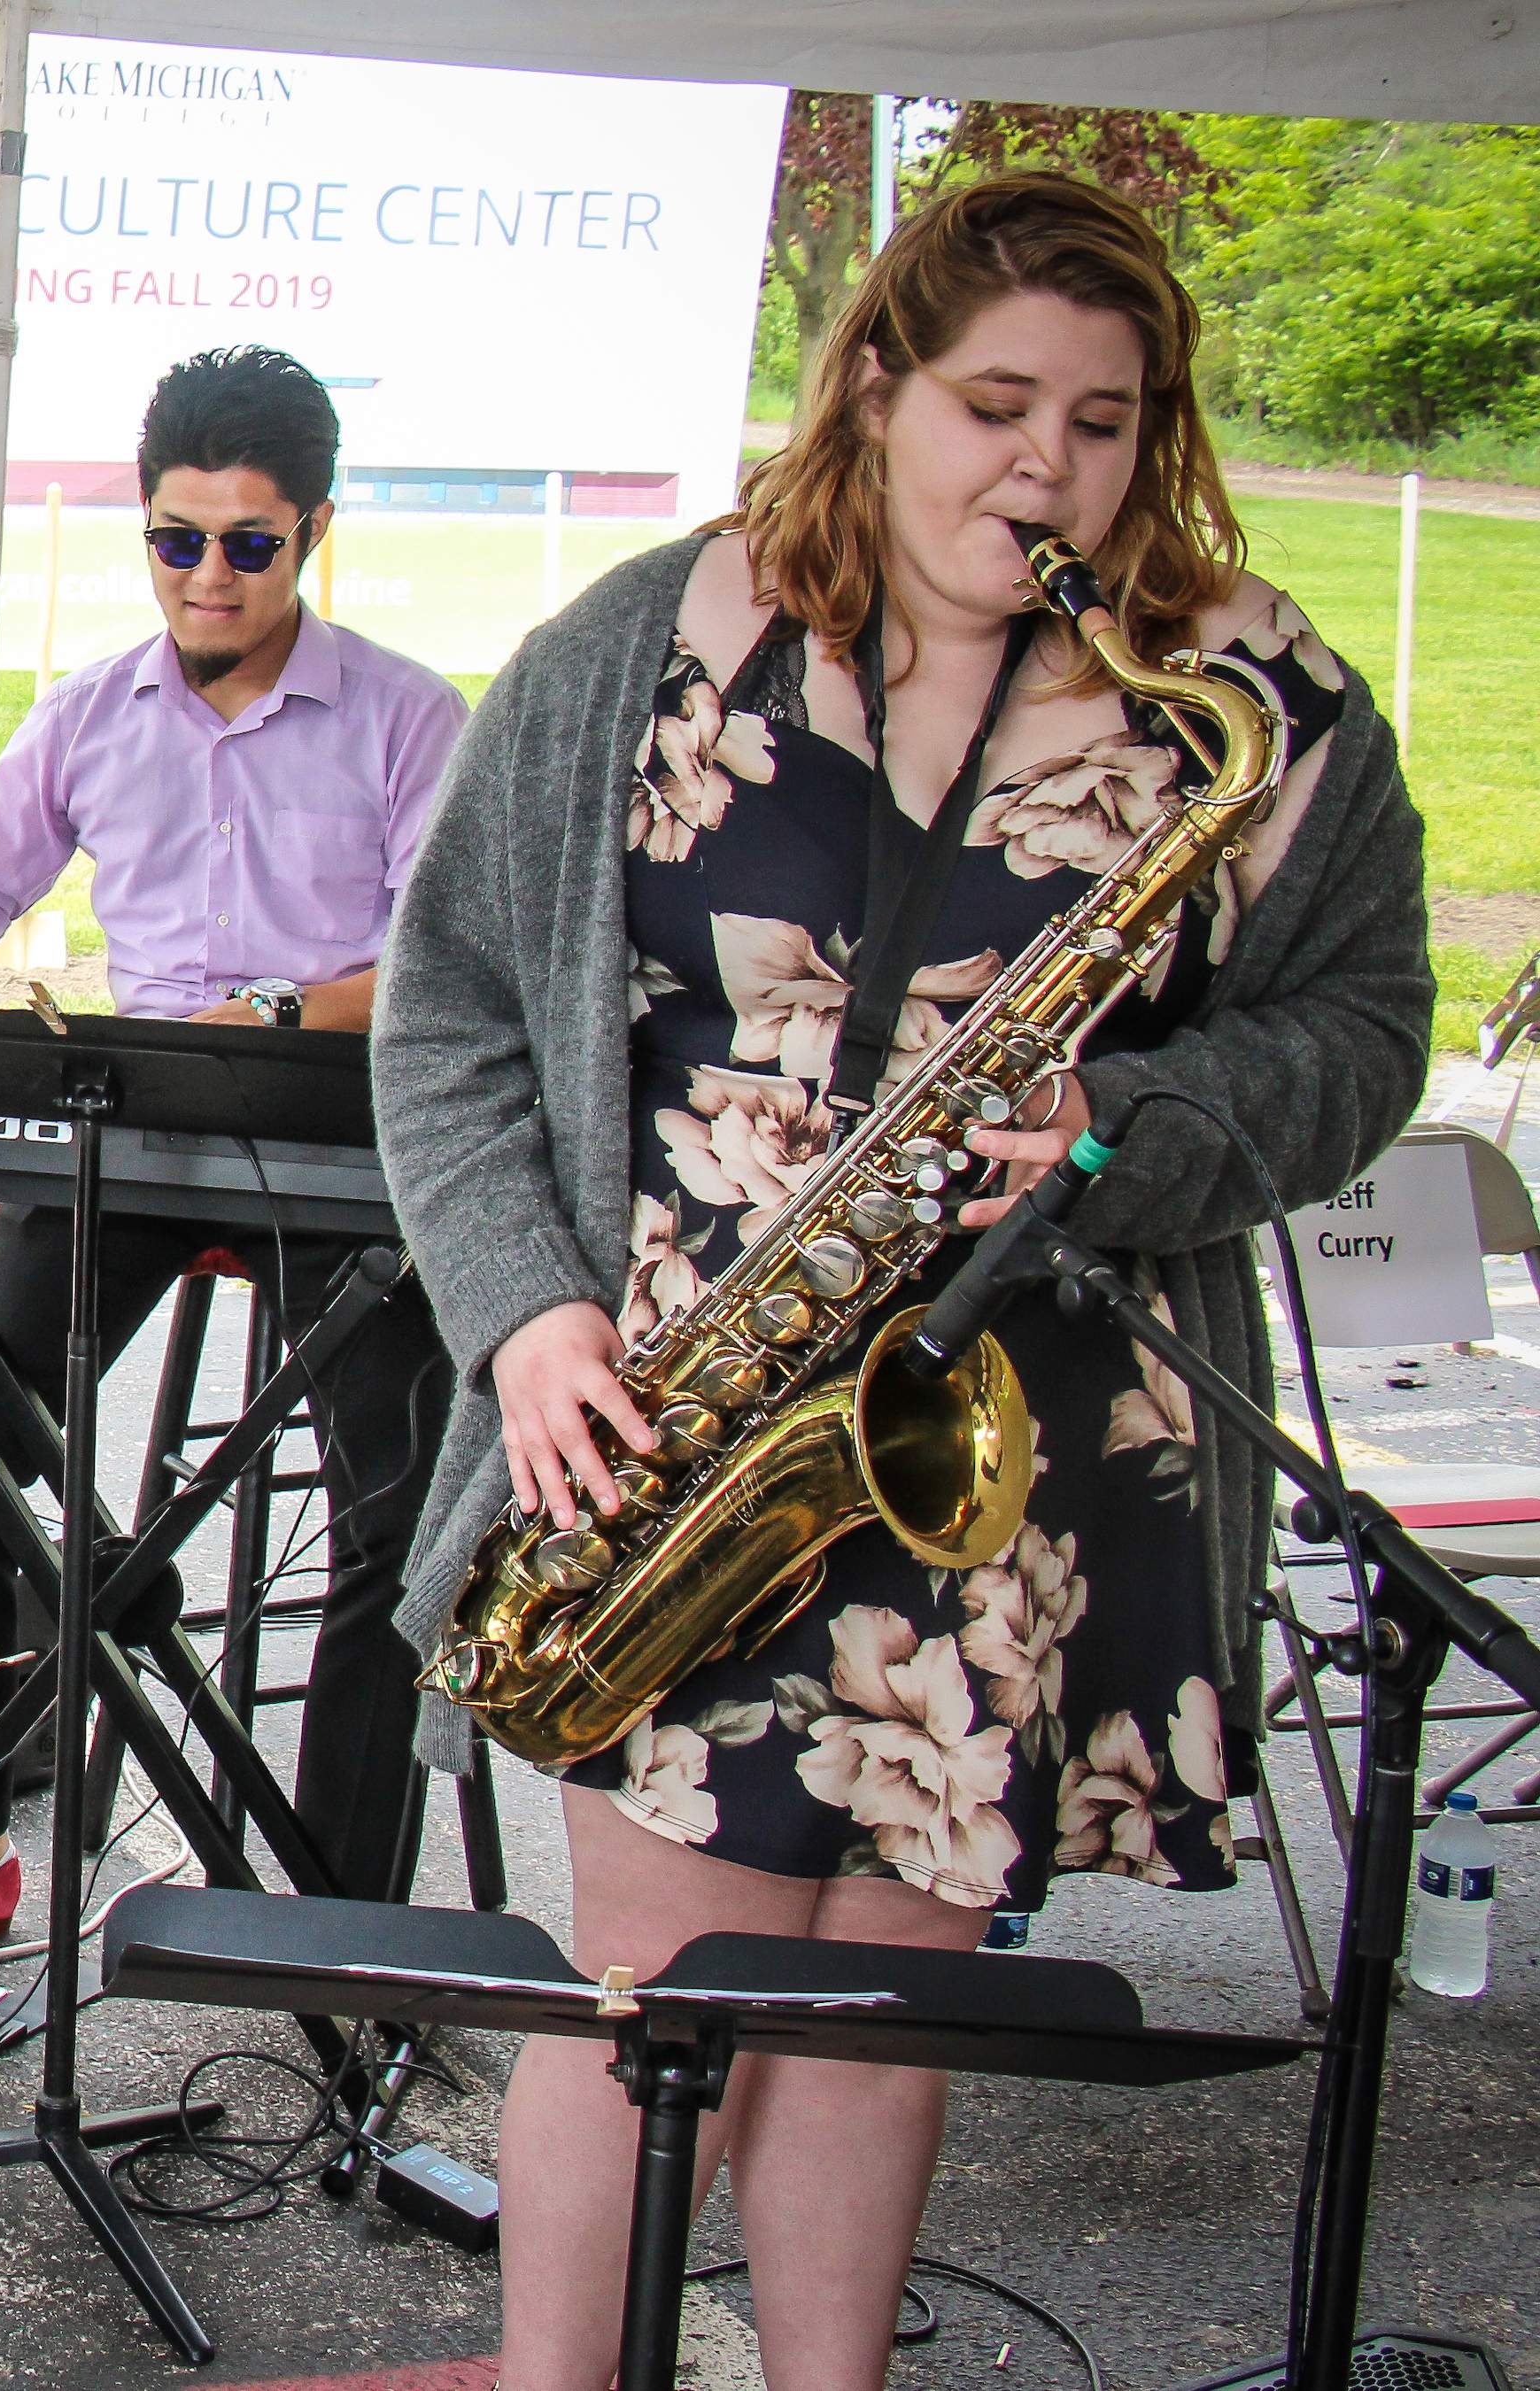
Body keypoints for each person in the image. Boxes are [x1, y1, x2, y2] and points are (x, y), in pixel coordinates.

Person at [375, 174, 1428, 2391]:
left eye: (1102, 421)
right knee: (659, 2004)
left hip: (1007, 1441)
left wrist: (1141, 1134)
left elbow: (1359, 1026)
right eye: (989, 404)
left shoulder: (1247, 701)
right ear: (872, 381)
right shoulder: (645, 641)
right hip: (668, 1409)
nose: (1040, 467)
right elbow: (450, 1000)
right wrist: (525, 1307)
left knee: (880, 1996)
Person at [0, 344, 470, 1933]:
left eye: (249, 543)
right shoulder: (91, 714)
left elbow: (440, 969)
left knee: (394, 1519)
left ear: (314, 532)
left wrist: (267, 1018)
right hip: (132, 1144)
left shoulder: (411, 719)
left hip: (345, 1146)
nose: (206, 575)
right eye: (176, 539)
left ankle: (342, 1917)